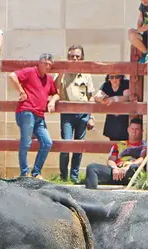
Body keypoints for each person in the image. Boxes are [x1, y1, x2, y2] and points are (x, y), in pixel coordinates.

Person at [9, 53, 59, 178]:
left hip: (39, 116)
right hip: (26, 112)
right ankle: (24, 173)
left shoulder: (49, 79)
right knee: (26, 143)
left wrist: (52, 101)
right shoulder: (31, 71)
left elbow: (56, 93)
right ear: (39, 63)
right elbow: (12, 75)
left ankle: (36, 173)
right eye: (45, 63)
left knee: (47, 142)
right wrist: (21, 91)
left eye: (50, 65)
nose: (47, 66)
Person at [55, 44, 95, 183]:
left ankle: (74, 177)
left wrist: (92, 117)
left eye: (78, 57)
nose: (75, 59)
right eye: (72, 57)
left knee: (78, 147)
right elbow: (54, 88)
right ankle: (63, 176)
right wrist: (61, 70)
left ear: (82, 58)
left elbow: (90, 97)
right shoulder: (63, 73)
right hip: (67, 114)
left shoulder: (87, 74)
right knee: (66, 145)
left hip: (83, 114)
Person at [85, 118, 146, 189]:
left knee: (134, 167)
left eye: (137, 129)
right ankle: (91, 194)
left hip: (129, 173)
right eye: (132, 129)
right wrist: (115, 168)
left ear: (141, 131)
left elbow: (142, 158)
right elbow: (111, 160)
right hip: (116, 172)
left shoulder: (144, 145)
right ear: (128, 130)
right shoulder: (119, 145)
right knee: (92, 167)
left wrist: (127, 167)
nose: (134, 132)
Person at [94, 74, 131, 141]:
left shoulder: (126, 83)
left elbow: (126, 98)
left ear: (121, 77)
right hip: (112, 120)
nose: (114, 79)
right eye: (111, 77)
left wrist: (114, 99)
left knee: (124, 146)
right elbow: (97, 96)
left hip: (125, 120)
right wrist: (104, 99)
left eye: (117, 77)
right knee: (113, 145)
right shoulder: (106, 84)